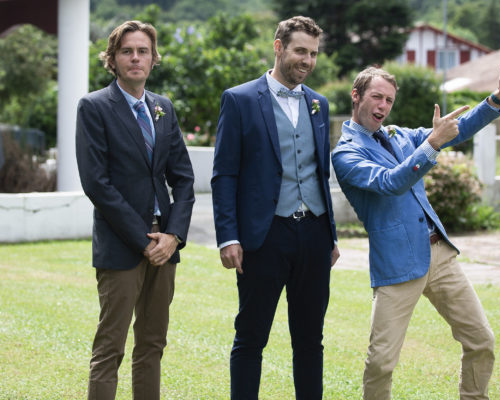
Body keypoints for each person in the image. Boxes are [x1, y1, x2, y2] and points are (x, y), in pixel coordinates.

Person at [331, 63, 500, 400]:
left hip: (440, 255)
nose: (383, 106)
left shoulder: (398, 135)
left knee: (481, 340)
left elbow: (458, 129)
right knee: (381, 362)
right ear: (356, 96)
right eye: (376, 97)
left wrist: (497, 99)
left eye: (389, 100)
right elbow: (389, 182)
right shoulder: (346, 153)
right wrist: (432, 145)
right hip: (397, 265)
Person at [211, 15, 340, 400]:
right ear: (279, 47)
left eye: (313, 54)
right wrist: (228, 236)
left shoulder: (319, 103)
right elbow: (224, 175)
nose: (307, 60)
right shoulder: (240, 99)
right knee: (251, 337)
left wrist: (329, 235)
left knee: (310, 338)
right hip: (263, 236)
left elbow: (320, 173)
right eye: (301, 51)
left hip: (314, 234)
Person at [75, 20, 195, 400]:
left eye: (143, 51)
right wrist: (143, 241)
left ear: (153, 57)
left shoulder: (163, 107)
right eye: (127, 51)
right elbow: (97, 184)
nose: (135, 58)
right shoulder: (94, 107)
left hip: (166, 245)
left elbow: (184, 179)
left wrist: (173, 236)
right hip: (122, 245)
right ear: (112, 59)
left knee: (153, 345)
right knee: (110, 349)